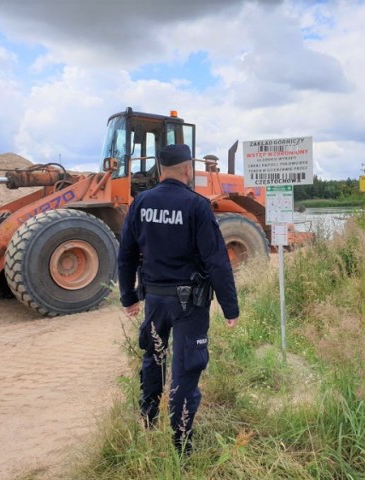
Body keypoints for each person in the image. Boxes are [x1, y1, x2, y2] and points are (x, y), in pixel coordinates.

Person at [117, 143, 239, 455]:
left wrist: (128, 297)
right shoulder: (196, 206)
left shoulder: (141, 203)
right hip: (190, 304)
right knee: (186, 368)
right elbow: (216, 261)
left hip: (155, 299)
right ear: (187, 170)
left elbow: (126, 253)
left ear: (159, 170)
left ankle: (148, 419)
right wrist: (230, 307)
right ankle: (181, 444)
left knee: (153, 356)